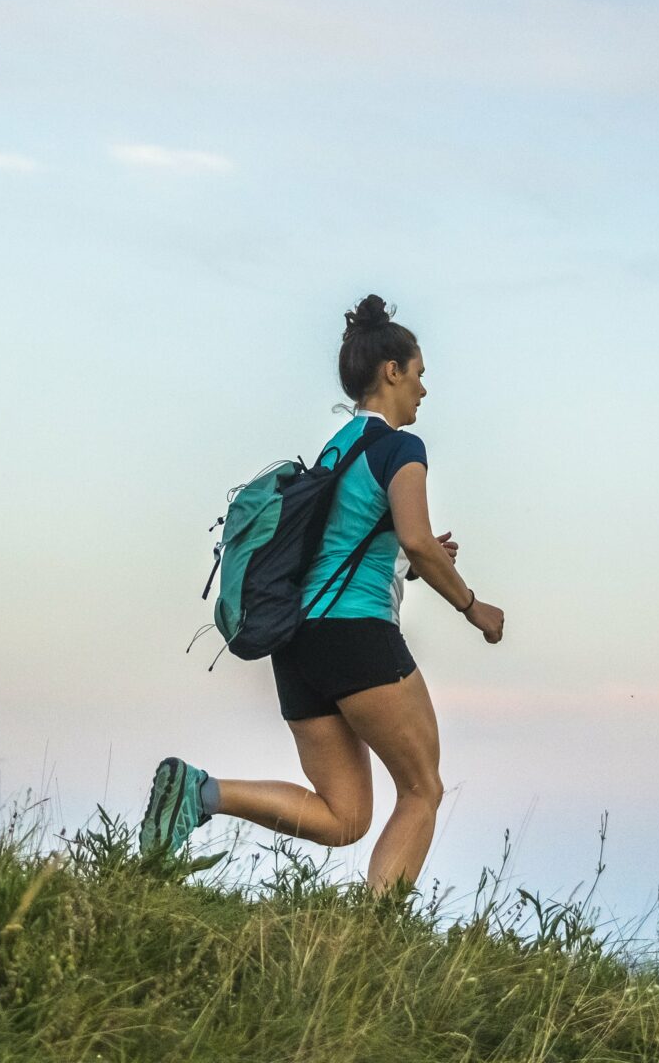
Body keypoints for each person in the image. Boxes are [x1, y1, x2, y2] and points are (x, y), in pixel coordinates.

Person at [142, 294, 506, 895]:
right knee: (423, 789)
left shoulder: (336, 450)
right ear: (392, 371)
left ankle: (199, 792)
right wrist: (473, 607)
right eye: (418, 376)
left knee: (345, 816)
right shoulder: (399, 447)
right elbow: (415, 540)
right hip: (357, 635)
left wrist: (413, 559)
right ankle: (373, 942)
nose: (422, 391)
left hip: (299, 645)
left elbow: (351, 546)